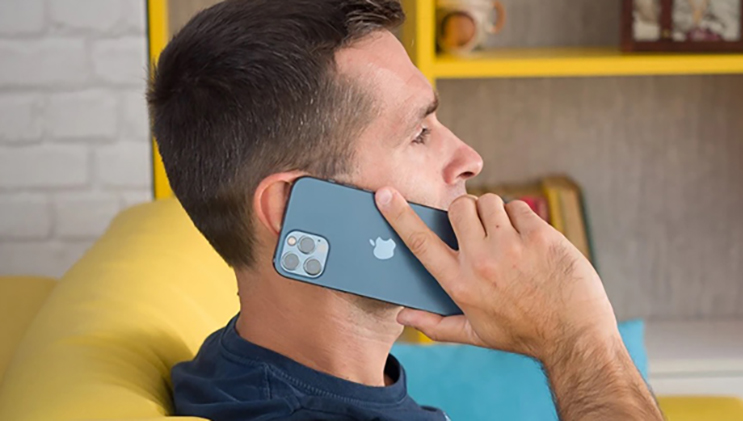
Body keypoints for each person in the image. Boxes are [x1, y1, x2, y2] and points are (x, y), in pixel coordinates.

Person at [147, 0, 663, 420]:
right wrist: (578, 338)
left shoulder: (238, 368)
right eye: (419, 134)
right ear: (292, 209)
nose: (469, 159)